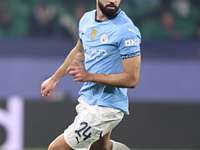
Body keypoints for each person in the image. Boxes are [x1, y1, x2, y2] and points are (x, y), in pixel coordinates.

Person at [41, 0, 141, 150]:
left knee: (57, 148)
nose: (113, 1)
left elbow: (131, 79)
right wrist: (54, 79)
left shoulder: (126, 30)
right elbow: (79, 52)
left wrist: (90, 76)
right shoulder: (87, 19)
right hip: (89, 99)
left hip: (107, 107)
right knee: (101, 148)